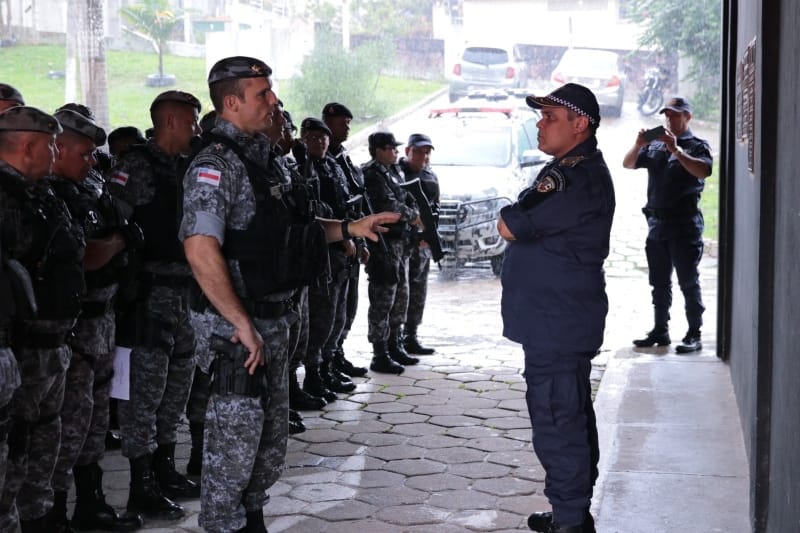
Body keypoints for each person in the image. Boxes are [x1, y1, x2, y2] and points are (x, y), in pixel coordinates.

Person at [179, 55, 399, 533]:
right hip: (237, 333)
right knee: (233, 447)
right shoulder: (216, 165)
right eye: (263, 94)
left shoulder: (265, 160)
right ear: (232, 103)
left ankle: (250, 519)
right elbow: (200, 247)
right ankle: (224, 524)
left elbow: (286, 233)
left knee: (268, 441)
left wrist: (348, 227)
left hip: (272, 321)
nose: (274, 100)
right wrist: (240, 323)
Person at [497, 83, 615, 533]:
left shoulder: (573, 177)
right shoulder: (569, 169)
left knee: (557, 419)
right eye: (540, 116)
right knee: (569, 413)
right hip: (558, 318)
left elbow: (510, 224)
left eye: (550, 117)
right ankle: (572, 510)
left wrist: (513, 212)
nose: (539, 124)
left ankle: (569, 520)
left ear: (579, 124)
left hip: (557, 321)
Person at [45, 107, 144, 531]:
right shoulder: (51, 195)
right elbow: (86, 256)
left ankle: (92, 502)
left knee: (94, 419)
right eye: (83, 154)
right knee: (69, 423)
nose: (91, 162)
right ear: (59, 148)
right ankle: (54, 512)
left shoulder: (89, 186)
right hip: (75, 326)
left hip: (105, 318)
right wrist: (120, 240)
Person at [107, 90, 203, 521]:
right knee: (141, 398)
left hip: (186, 294)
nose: (196, 130)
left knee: (175, 390)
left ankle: (164, 470)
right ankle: (140, 485)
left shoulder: (187, 167)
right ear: (168, 122)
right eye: (190, 122)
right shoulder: (135, 167)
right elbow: (113, 225)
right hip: (149, 298)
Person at [0, 106, 86, 533]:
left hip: (55, 346)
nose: (56, 151)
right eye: (51, 144)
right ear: (29, 145)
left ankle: (43, 520)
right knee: (16, 451)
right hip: (22, 351)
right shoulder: (4, 198)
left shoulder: (44, 194)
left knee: (46, 442)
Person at [622, 96, 713, 353]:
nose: (670, 119)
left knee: (688, 281)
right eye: (667, 115)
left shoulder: (696, 146)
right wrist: (639, 144)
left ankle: (694, 333)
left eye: (675, 115)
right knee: (659, 282)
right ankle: (660, 330)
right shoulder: (656, 145)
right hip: (657, 224)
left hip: (684, 225)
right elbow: (628, 164)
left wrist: (676, 150)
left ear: (688, 117)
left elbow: (703, 171)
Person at [362, 131, 421, 374]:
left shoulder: (393, 171)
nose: (396, 152)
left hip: (399, 243)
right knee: (383, 298)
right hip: (382, 244)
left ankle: (394, 344)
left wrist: (414, 212)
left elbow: (407, 197)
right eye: (391, 148)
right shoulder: (372, 173)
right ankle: (380, 352)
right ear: (379, 150)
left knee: (400, 296)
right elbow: (387, 205)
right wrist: (412, 216)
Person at [322, 102, 370, 378]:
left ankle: (336, 354)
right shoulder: (318, 161)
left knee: (347, 307)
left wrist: (360, 242)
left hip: (351, 240)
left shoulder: (342, 159)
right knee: (331, 311)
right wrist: (344, 240)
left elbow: (354, 202)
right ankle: (324, 365)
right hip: (335, 247)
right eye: (342, 123)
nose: (347, 128)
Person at [398, 133, 439, 355]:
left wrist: (431, 237)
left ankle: (411, 335)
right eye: (419, 151)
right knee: (399, 294)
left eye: (427, 152)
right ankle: (394, 340)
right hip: (402, 243)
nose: (423, 156)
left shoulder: (430, 175)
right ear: (407, 151)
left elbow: (435, 209)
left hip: (422, 244)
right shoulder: (396, 173)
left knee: (418, 291)